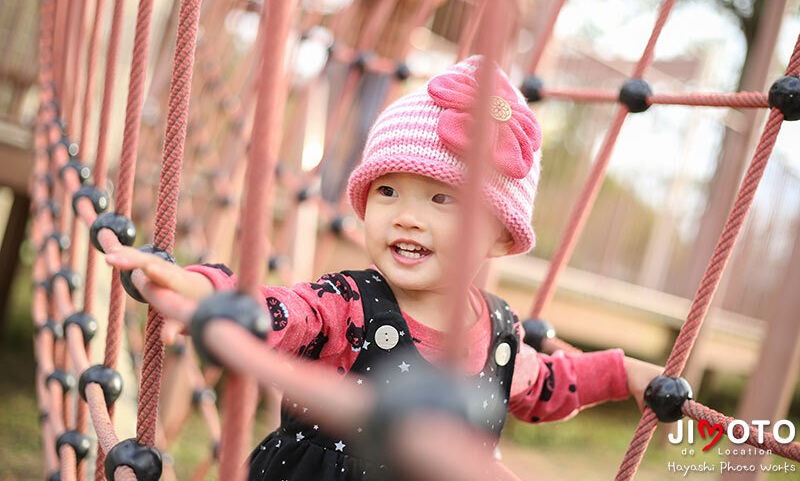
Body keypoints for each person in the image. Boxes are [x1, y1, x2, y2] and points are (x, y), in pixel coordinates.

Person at [105, 55, 663, 480]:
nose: (407, 218)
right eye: (389, 190)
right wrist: (203, 288)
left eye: (442, 200)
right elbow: (276, 311)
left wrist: (622, 374)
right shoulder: (346, 305)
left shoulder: (499, 332)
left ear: (498, 234)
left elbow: (545, 386)